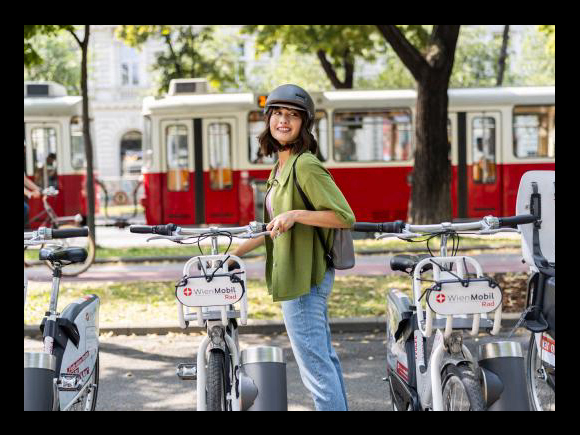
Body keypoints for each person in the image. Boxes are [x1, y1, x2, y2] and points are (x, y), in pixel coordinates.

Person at [231, 84, 355, 411]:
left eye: (293, 116)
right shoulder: (280, 167)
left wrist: (297, 214)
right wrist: (231, 255)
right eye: (278, 114)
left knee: (315, 367)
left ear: (304, 124)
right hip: (296, 277)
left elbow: (344, 216)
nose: (283, 121)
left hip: (305, 280)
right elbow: (273, 227)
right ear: (268, 119)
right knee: (323, 360)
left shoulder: (305, 165)